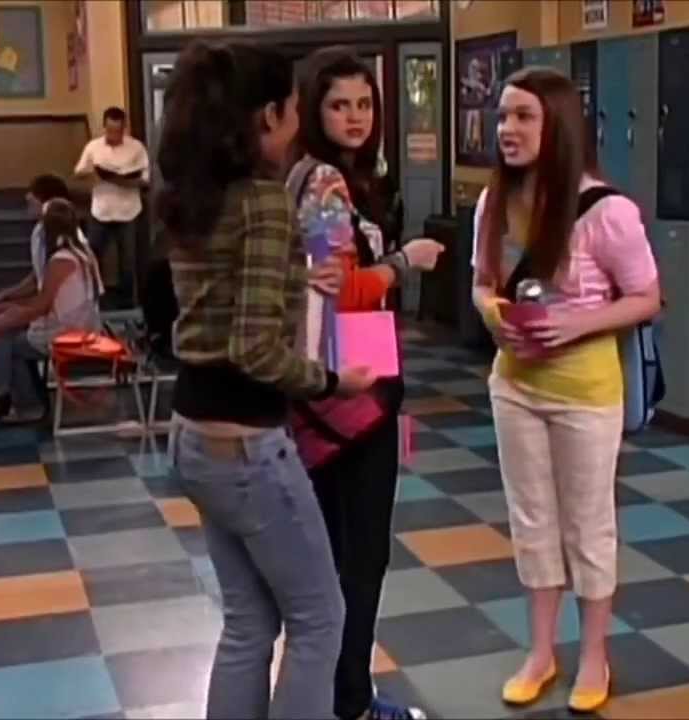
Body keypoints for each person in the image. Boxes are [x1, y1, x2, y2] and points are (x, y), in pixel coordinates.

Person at [155, 39, 375, 720]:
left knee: (249, 623)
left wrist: (293, 274)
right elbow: (254, 348)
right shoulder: (263, 202)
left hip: (193, 431)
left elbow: (219, 302)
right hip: (247, 443)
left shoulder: (194, 197)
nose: (299, 122)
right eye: (294, 108)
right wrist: (332, 380)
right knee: (320, 618)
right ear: (267, 116)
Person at [470, 67, 662, 713]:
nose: (507, 129)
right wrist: (494, 316)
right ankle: (541, 652)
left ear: (557, 125)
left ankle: (594, 657)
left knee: (587, 527)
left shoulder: (607, 211)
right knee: (532, 522)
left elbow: (647, 297)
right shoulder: (494, 202)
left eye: (524, 116)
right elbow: (481, 282)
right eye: (502, 116)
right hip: (514, 386)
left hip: (585, 392)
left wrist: (577, 323)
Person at [288, 47, 444, 720]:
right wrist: (404, 262)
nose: (354, 117)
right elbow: (341, 289)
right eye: (338, 105)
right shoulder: (326, 183)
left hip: (338, 386)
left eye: (363, 104)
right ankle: (347, 699)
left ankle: (332, 693)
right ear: (312, 111)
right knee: (357, 556)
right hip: (348, 392)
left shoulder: (333, 176)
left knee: (337, 555)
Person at [0, 199, 103, 424]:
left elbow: (42, 305)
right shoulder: (81, 252)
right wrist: (11, 309)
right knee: (9, 332)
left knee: (7, 340)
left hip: (70, 332)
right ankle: (7, 396)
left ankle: (6, 397)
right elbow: (44, 298)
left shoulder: (61, 260)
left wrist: (8, 318)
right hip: (79, 324)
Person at [0, 174, 95, 320]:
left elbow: (46, 301)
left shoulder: (70, 244)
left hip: (66, 314)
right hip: (48, 307)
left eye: (34, 193)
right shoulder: (39, 231)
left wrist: (12, 313)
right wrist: (0, 297)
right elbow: (38, 277)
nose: (27, 197)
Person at [74, 106, 149, 306]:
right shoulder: (93, 147)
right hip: (101, 210)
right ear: (104, 127)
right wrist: (94, 174)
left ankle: (128, 303)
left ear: (124, 128)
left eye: (117, 131)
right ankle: (92, 299)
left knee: (128, 261)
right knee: (92, 256)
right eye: (110, 130)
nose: (113, 135)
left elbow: (145, 180)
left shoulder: (137, 148)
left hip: (128, 211)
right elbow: (78, 172)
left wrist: (123, 180)